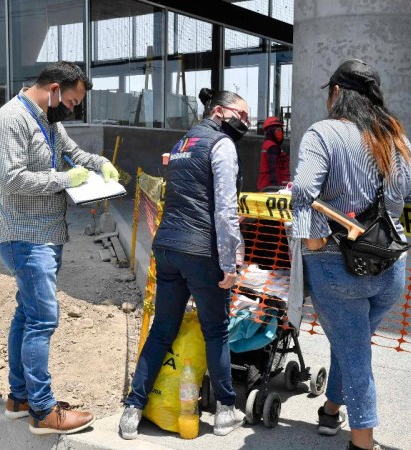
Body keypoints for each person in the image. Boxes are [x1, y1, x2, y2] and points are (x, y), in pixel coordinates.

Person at [291, 59, 411, 450]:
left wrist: (313, 242)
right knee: (352, 343)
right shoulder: (398, 139)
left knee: (355, 355)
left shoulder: (323, 133)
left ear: (337, 92)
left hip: (338, 267)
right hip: (390, 267)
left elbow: (303, 191)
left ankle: (362, 443)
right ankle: (331, 409)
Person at [0, 61, 119, 435]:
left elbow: (75, 153)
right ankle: (42, 411)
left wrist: (100, 164)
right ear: (55, 90)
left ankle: (19, 399)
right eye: (73, 101)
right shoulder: (10, 120)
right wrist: (64, 179)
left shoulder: (47, 119)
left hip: (44, 234)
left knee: (27, 315)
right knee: (43, 320)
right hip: (25, 237)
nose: (73, 109)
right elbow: (11, 180)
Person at [119, 88, 249, 439]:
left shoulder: (182, 143)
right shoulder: (221, 145)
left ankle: (133, 409)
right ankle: (225, 411)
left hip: (167, 247)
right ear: (220, 112)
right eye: (242, 115)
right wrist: (230, 262)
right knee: (216, 330)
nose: (246, 122)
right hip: (201, 250)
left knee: (163, 328)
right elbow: (225, 208)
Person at [257, 116, 289, 191]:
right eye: (277, 130)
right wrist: (275, 187)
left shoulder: (268, 144)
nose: (280, 132)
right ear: (271, 131)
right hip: (271, 187)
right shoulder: (272, 147)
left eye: (280, 129)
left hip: (267, 185)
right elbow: (272, 169)